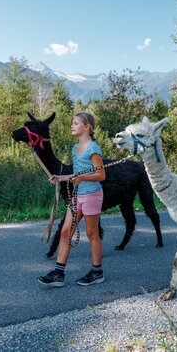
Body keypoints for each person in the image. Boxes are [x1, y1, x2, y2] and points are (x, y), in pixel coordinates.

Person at [37, 112, 106, 287]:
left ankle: (97, 272)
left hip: (92, 196)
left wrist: (82, 179)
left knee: (92, 234)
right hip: (77, 196)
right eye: (72, 123)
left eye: (75, 123)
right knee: (65, 232)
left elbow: (101, 175)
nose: (72, 126)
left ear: (86, 127)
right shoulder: (75, 149)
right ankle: (58, 274)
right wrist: (61, 178)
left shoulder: (93, 149)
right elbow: (77, 174)